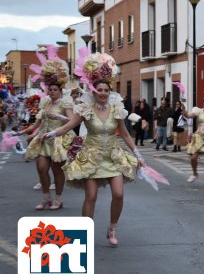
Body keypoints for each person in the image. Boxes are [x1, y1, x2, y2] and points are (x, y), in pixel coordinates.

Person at [46, 52, 143, 246]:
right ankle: (85, 232)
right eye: (99, 90)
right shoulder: (85, 109)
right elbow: (69, 125)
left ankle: (112, 228)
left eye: (106, 90)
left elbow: (124, 134)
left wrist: (138, 154)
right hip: (91, 157)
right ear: (93, 91)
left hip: (113, 156)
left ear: (109, 91)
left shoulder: (116, 109)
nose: (103, 93)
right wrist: (51, 133)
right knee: (91, 196)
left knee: (119, 194)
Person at [18, 53, 73, 210]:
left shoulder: (66, 102)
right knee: (41, 168)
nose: (52, 92)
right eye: (50, 89)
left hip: (59, 140)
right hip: (44, 139)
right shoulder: (45, 102)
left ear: (60, 90)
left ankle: (58, 199)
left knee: (57, 171)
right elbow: (37, 124)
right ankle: (46, 197)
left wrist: (57, 115)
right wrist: (21, 133)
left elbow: (71, 120)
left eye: (55, 89)